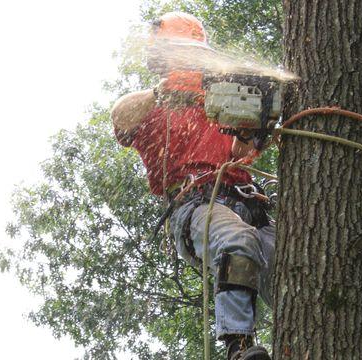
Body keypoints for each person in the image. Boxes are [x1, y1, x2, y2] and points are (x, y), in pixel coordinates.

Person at [111, 12, 274, 360]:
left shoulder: (222, 102)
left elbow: (241, 153)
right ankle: (238, 345)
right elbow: (120, 116)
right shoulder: (152, 109)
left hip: (247, 201)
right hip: (196, 205)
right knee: (236, 240)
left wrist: (251, 125)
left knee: (294, 263)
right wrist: (162, 92)